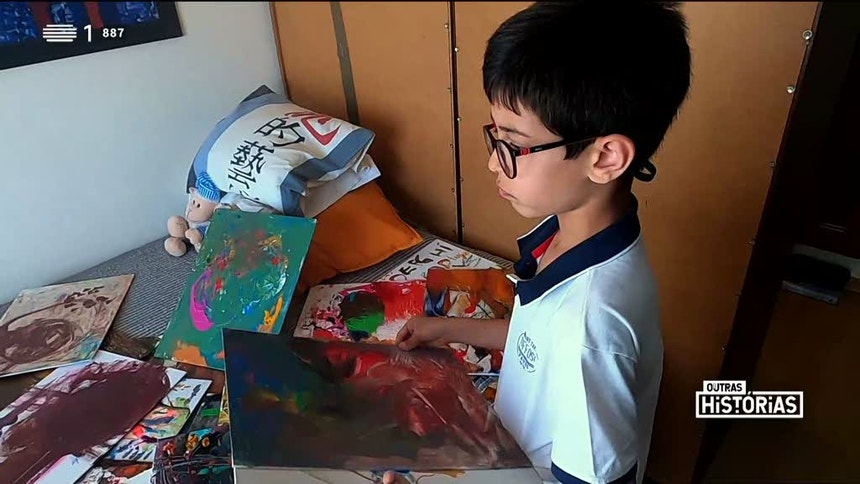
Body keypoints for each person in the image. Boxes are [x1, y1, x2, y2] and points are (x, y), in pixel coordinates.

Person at [384, 1, 691, 483]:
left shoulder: (590, 326)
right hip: (511, 450)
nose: (493, 163)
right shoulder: (571, 234)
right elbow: (536, 340)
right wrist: (444, 328)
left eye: (512, 144)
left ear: (605, 158)